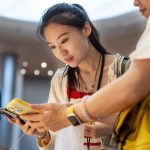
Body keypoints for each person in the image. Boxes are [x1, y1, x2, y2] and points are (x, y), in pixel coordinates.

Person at [9, 3, 129, 150]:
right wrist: (42, 134)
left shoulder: (125, 69)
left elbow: (138, 122)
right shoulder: (61, 79)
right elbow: (56, 138)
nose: (61, 52)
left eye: (64, 40)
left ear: (86, 29)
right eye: (52, 46)